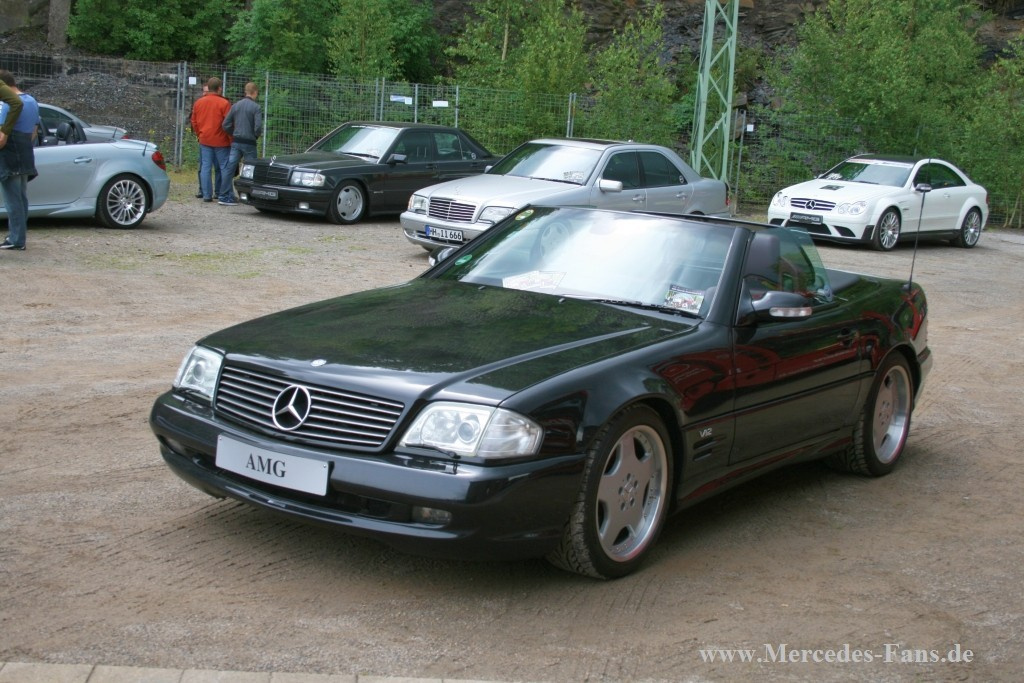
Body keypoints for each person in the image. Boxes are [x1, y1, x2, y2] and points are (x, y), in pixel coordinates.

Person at [0, 70, 38, 252]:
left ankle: (16, 239)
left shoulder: (8, 106)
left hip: (10, 154)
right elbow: (34, 132)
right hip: (25, 152)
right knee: (21, 197)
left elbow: (2, 137)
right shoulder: (32, 101)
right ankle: (19, 237)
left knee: (12, 200)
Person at [189, 77, 232, 205]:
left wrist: (199, 134)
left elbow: (194, 121)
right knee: (224, 168)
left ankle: (206, 194)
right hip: (221, 141)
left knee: (205, 167)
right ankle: (223, 194)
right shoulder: (224, 103)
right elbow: (228, 124)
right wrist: (231, 139)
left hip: (205, 139)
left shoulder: (199, 102)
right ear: (219, 88)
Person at [222, 81, 262, 203]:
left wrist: (233, 133)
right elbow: (258, 127)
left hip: (236, 141)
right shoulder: (256, 107)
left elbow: (225, 124)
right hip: (249, 142)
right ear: (255, 92)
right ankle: (249, 195)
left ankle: (224, 195)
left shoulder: (236, 106)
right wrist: (255, 136)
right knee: (250, 169)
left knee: (230, 168)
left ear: (246, 92)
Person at [190, 82, 208, 199]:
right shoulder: (199, 104)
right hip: (204, 139)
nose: (205, 93)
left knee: (206, 166)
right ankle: (202, 190)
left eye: (207, 91)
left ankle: (209, 191)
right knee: (203, 166)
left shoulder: (199, 103)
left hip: (208, 139)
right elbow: (194, 121)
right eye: (204, 91)